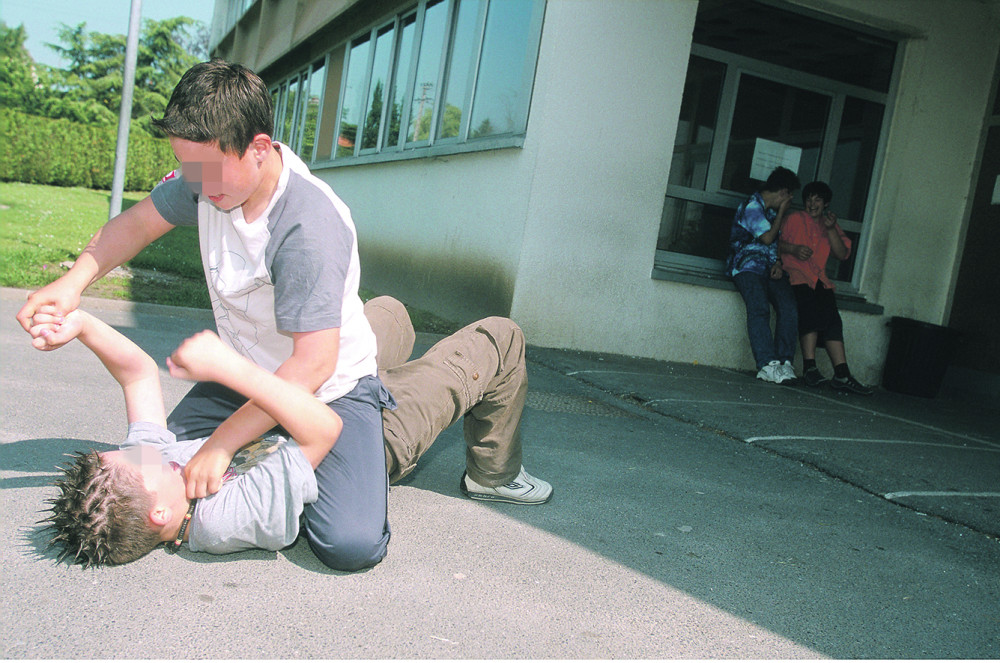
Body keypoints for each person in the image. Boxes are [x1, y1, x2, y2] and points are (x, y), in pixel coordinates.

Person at [16, 59, 549, 570]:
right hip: (255, 367)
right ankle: (384, 320)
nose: (194, 182)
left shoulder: (307, 227)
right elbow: (134, 224)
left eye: (206, 170)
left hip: (326, 384)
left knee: (349, 543)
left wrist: (223, 444)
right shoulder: (206, 181)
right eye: (186, 165)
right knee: (184, 452)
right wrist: (71, 285)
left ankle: (464, 359)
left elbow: (312, 369)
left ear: (259, 147)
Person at [32, 296, 552, 569]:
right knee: (500, 338)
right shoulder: (225, 518)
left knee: (387, 313)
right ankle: (493, 475)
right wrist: (233, 370)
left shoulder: (148, 474)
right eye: (143, 462)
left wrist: (82, 325)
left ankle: (377, 354)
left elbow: (137, 375)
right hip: (361, 438)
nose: (149, 451)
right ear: (161, 515)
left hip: (295, 405)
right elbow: (323, 429)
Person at [780, 181, 872, 394]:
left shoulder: (828, 223)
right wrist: (793, 249)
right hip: (794, 275)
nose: (812, 204)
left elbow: (842, 254)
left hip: (818, 279)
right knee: (809, 311)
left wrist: (830, 229)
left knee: (833, 319)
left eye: (818, 200)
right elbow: (774, 241)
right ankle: (810, 367)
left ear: (826, 203)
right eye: (809, 199)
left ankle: (842, 374)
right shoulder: (794, 218)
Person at [727, 167, 801, 384]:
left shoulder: (770, 211)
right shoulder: (752, 206)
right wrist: (782, 212)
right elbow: (767, 237)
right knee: (759, 308)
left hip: (769, 268)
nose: (790, 201)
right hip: (746, 267)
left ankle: (784, 362)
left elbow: (775, 244)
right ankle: (767, 364)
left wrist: (778, 262)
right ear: (783, 192)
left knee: (789, 308)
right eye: (790, 196)